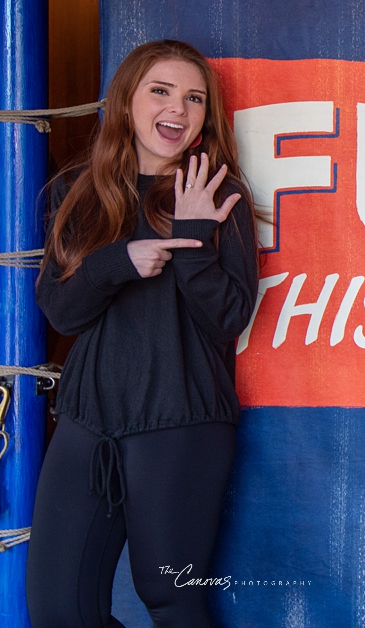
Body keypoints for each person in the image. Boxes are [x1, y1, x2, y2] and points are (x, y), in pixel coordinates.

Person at [27, 40, 258, 628]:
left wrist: (191, 240)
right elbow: (62, 313)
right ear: (127, 100)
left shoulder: (220, 197)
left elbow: (229, 319)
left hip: (181, 426)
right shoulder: (76, 190)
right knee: (59, 611)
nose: (177, 108)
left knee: (171, 600)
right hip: (86, 425)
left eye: (194, 98)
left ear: (207, 117)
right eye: (161, 90)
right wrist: (117, 261)